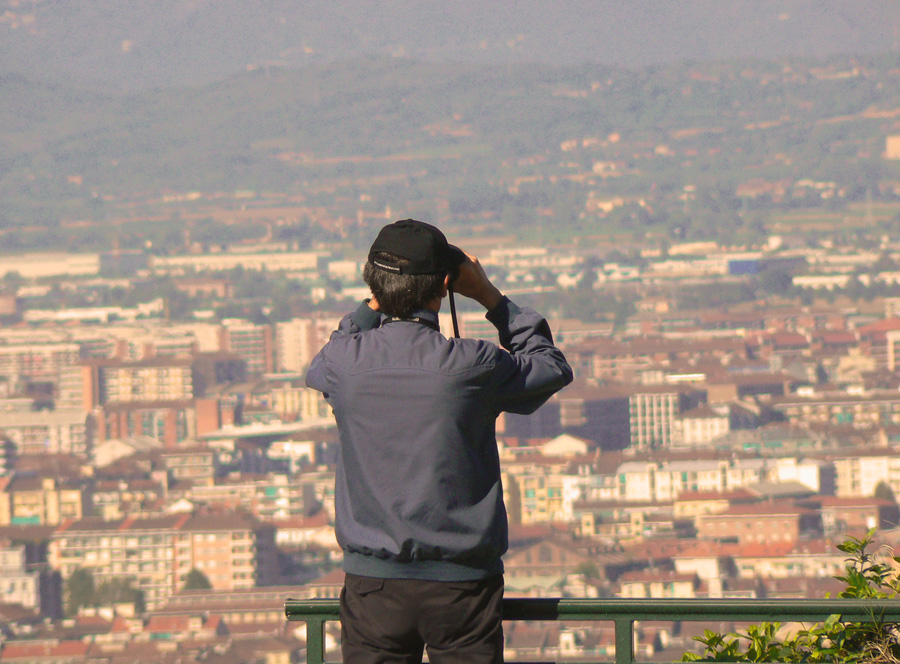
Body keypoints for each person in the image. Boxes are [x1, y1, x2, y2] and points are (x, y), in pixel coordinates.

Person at [306, 219, 573, 663]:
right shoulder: (472, 365)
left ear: (371, 280)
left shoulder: (343, 363)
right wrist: (488, 295)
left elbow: (330, 352)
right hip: (462, 586)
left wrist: (377, 300)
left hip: (373, 585)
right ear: (445, 284)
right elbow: (550, 366)